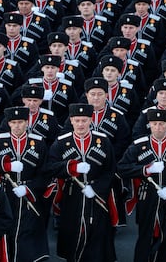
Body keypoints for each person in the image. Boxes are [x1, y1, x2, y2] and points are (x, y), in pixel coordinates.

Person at [117, 108, 166, 262]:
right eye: (154, 123)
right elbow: (122, 167)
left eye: (162, 123)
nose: (158, 127)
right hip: (148, 197)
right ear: (149, 125)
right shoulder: (139, 145)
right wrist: (145, 169)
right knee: (147, 234)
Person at [46, 103, 116, 262]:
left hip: (97, 193)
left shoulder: (103, 141)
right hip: (72, 193)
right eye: (77, 120)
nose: (80, 124)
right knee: (73, 229)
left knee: (97, 231)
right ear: (71, 120)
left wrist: (97, 188)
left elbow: (110, 169)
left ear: (91, 120)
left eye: (84, 120)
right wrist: (71, 167)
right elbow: (50, 167)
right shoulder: (61, 142)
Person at [0, 106, 50, 262]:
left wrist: (30, 188)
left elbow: (44, 172)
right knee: (6, 228)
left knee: (26, 231)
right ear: (9, 123)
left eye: (21, 122)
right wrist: (6, 166)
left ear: (27, 122)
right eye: (14, 122)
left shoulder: (38, 142)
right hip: (4, 192)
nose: (17, 125)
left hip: (28, 194)